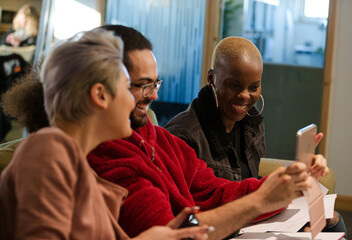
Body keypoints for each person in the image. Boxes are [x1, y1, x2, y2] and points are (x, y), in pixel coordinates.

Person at [87, 25, 320, 240]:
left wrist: (286, 183)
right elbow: (171, 233)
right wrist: (259, 201)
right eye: (142, 85)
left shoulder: (161, 140)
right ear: (103, 91)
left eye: (156, 84)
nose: (154, 96)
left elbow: (215, 192)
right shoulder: (112, 159)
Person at [0, 29, 212, 239]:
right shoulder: (48, 151)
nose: (132, 100)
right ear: (100, 95)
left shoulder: (78, 165)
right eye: (126, 87)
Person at [164, 37, 347, 235]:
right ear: (211, 79)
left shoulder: (252, 124)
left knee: (332, 221)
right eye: (234, 85)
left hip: (250, 219)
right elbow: (192, 208)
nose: (244, 96)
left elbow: (246, 179)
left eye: (253, 87)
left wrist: (300, 174)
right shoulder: (182, 136)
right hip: (216, 227)